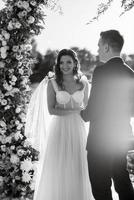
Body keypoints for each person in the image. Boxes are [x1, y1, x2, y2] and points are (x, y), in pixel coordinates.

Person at [25, 49, 94, 200]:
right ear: (58, 64)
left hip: (78, 128)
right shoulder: (53, 82)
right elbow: (51, 110)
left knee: (77, 165)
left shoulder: (83, 82)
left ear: (75, 63)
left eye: (69, 62)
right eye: (61, 62)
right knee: (58, 166)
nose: (65, 65)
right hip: (59, 128)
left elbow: (88, 108)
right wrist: (75, 110)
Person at [81, 30, 134, 200]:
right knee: (122, 182)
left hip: (100, 140)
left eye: (98, 46)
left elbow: (94, 106)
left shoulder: (101, 71)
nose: (97, 50)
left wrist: (83, 114)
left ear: (106, 46)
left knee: (100, 186)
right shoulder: (130, 73)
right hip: (121, 138)